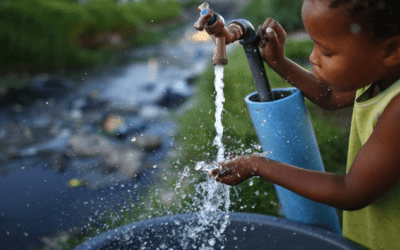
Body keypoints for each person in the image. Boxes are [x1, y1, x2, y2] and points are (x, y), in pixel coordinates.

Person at [211, 0, 400, 249]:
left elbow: (351, 190)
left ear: (392, 50)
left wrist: (258, 164)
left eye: (327, 51)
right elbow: (329, 96)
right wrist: (279, 62)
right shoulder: (379, 75)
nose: (312, 57)